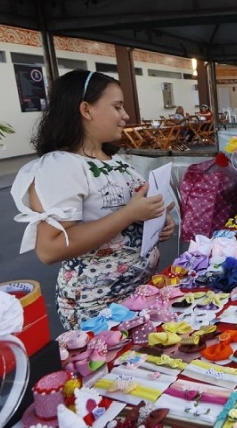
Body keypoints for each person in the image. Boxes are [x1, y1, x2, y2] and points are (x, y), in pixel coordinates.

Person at [11, 70, 175, 330]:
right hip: (99, 308)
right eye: (117, 106)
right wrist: (130, 214)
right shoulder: (60, 167)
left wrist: (156, 219)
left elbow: (124, 214)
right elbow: (49, 249)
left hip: (136, 294)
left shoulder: (116, 161)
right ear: (86, 110)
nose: (125, 116)